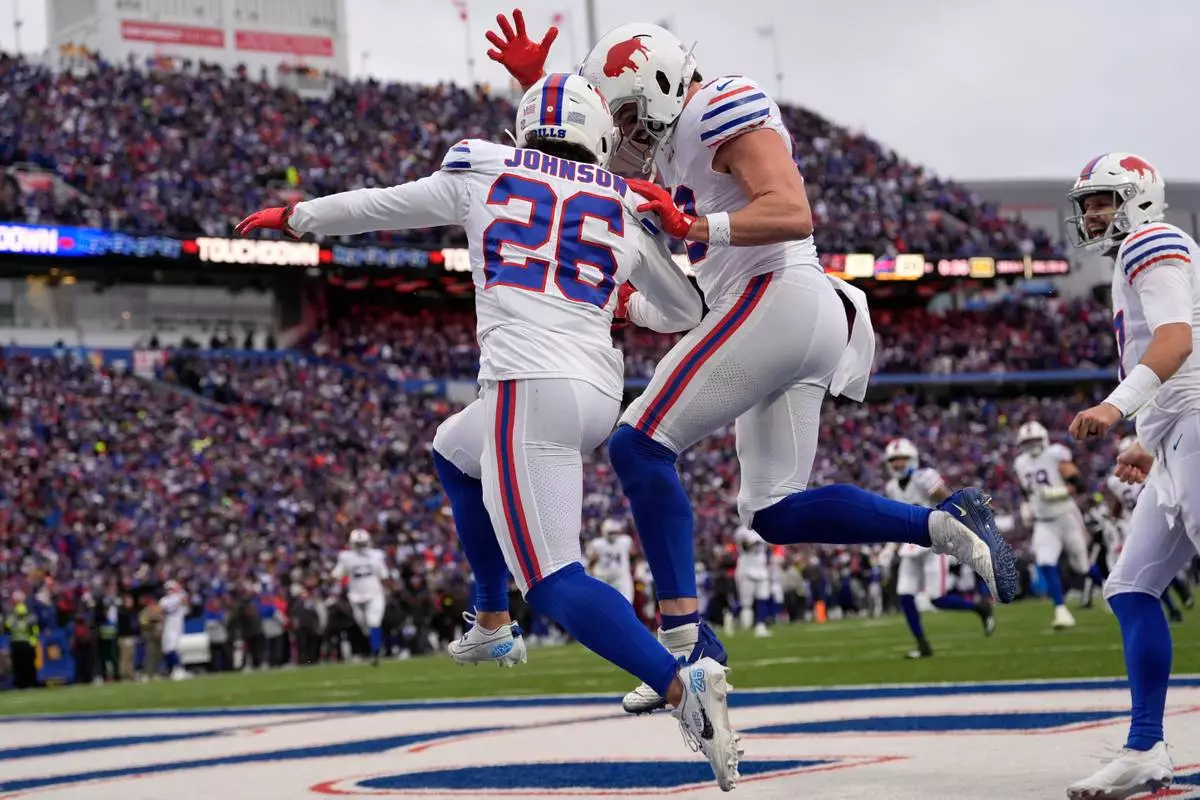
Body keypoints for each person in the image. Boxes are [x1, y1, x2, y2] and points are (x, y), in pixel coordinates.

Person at [485, 11, 1019, 715]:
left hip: (778, 291)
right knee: (774, 512)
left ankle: (686, 647)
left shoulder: (717, 104)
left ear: (664, 84)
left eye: (630, 116)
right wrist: (539, 89)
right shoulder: (668, 137)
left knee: (638, 444)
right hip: (775, 311)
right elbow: (590, 173)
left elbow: (792, 210)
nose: (626, 135)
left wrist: (694, 226)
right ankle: (945, 524)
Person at [238, 73, 740, 790]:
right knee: (452, 449)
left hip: (526, 384)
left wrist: (298, 216)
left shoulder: (485, 165)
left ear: (526, 124)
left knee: (556, 581)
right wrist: (623, 297)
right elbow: (686, 309)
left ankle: (679, 685)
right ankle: (492, 618)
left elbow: (384, 205)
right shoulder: (624, 199)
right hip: (597, 391)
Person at [1066, 152, 1199, 798]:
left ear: (1139, 198)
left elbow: (1176, 341)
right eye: (1088, 204)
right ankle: (1146, 748)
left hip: (1195, 424)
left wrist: (1115, 408)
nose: (1093, 214)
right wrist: (1148, 441)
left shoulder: (1152, 240)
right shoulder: (1138, 253)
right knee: (1130, 587)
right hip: (1177, 436)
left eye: (1104, 200)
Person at [884, 439, 996, 659]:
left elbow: (947, 499)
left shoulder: (924, 477)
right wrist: (889, 546)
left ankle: (980, 608)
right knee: (905, 596)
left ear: (912, 459)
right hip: (909, 545)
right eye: (894, 460)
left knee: (937, 599)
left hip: (934, 543)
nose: (897, 464)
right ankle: (922, 645)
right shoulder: (891, 487)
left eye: (902, 459)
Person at [1014, 421, 1090, 629]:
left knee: (1081, 565)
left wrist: (1057, 493)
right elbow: (1026, 490)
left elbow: (1078, 485)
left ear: (1044, 439)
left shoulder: (1055, 454)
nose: (1032, 445)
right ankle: (1061, 610)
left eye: (1035, 440)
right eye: (1027, 442)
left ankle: (1105, 586)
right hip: (1044, 522)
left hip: (1067, 516)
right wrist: (1026, 506)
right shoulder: (1020, 463)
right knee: (1046, 561)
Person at [331, 528, 389, 666]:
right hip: (355, 595)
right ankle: (376, 645)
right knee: (364, 625)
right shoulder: (346, 557)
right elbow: (337, 574)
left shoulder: (376, 555)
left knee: (373, 621)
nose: (361, 546)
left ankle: (376, 651)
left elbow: (384, 575)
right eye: (359, 543)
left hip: (374, 593)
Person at [586, 519, 636, 604]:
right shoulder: (597, 544)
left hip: (620, 578)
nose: (613, 535)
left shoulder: (625, 541)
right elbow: (591, 562)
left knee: (626, 603)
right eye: (611, 532)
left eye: (615, 532)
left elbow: (634, 556)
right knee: (602, 604)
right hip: (603, 578)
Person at [4, 596, 39, 689]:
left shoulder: (30, 618)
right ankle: (20, 684)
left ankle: (31, 682)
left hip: (26, 643)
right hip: (16, 644)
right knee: (18, 665)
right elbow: (6, 627)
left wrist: (33, 642)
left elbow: (34, 631)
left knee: (28, 665)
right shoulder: (11, 618)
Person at [160, 580, 189, 681]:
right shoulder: (165, 600)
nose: (169, 591)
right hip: (168, 625)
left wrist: (179, 594)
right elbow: (163, 608)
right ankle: (174, 669)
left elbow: (185, 602)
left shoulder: (180, 596)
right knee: (167, 648)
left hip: (176, 626)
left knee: (173, 648)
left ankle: (179, 669)